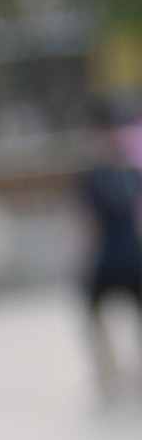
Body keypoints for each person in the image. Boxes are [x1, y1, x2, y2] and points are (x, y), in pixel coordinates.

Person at [77, 110, 142, 403]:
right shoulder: (131, 175)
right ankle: (116, 371)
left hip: (109, 257)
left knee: (94, 316)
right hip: (129, 255)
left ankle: (109, 372)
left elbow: (86, 225)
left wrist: (84, 261)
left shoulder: (92, 178)